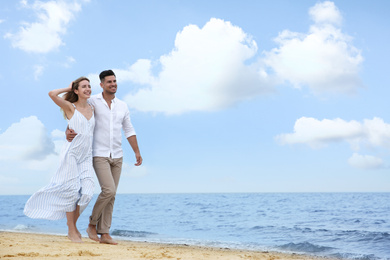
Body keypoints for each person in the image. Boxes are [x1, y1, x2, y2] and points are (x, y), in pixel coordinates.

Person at [66, 70, 142, 245]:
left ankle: (105, 233)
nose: (113, 84)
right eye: (109, 82)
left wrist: (137, 152)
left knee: (111, 196)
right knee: (109, 190)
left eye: (115, 81)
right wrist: (68, 130)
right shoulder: (93, 101)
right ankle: (92, 225)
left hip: (118, 155)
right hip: (99, 153)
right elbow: (75, 112)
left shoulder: (122, 105)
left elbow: (129, 129)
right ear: (102, 84)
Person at [24, 77, 95, 243]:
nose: (88, 89)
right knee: (71, 190)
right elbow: (51, 94)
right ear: (76, 91)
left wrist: (67, 130)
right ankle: (72, 230)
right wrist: (67, 88)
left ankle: (71, 226)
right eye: (83, 86)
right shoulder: (70, 107)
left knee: (87, 192)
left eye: (89, 86)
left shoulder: (93, 107)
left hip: (86, 156)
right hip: (71, 154)